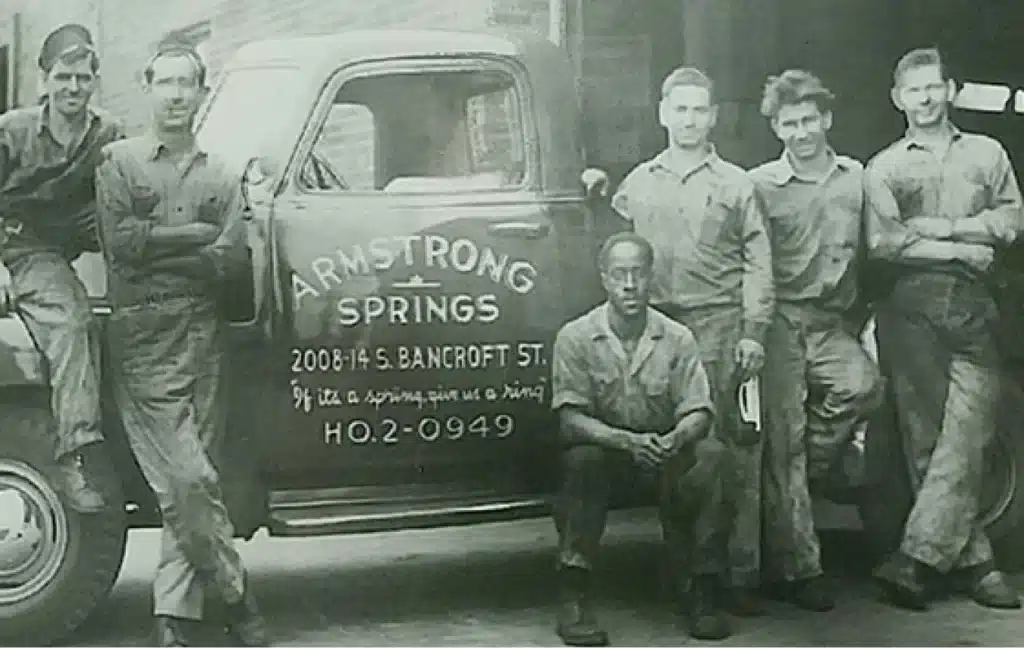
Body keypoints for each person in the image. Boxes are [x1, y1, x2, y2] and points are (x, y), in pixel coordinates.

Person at [94, 42, 268, 646]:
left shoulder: (222, 171)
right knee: (190, 479)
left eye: (186, 83)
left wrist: (162, 244)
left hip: (204, 338)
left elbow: (229, 261)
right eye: (164, 82)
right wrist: (194, 234)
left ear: (200, 91)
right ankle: (236, 594)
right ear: (147, 87)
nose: (174, 94)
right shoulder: (118, 163)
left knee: (187, 485)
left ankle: (173, 620)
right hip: (143, 341)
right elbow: (121, 245)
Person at [610, 67, 774, 615]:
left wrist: (753, 331)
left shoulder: (735, 184)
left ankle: (740, 576)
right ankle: (686, 575)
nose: (689, 120)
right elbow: (615, 257)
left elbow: (759, 262)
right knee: (677, 453)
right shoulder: (635, 185)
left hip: (721, 327)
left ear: (714, 117)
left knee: (732, 451)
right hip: (659, 332)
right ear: (663, 114)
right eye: (680, 109)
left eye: (699, 109)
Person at [865, 47, 1023, 611]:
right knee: (926, 436)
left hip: (976, 303)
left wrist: (940, 229)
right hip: (911, 306)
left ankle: (916, 560)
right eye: (914, 90)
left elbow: (1011, 218)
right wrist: (962, 246)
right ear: (897, 98)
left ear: (951, 90)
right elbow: (883, 242)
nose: (926, 99)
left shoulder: (987, 152)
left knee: (972, 432)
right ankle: (978, 566)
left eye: (934, 87)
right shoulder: (883, 168)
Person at [551, 231, 731, 643]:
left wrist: (675, 437)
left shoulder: (677, 337)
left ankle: (700, 591)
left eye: (638, 274)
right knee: (581, 461)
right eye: (619, 275)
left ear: (652, 277)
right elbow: (570, 419)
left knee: (713, 457)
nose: (629, 285)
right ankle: (574, 595)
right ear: (604, 279)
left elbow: (699, 409)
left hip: (664, 451)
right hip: (609, 454)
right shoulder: (576, 337)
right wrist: (625, 442)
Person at [749, 70, 883, 611]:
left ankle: (810, 467)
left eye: (809, 121)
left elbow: (882, 236)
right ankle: (801, 569)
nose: (801, 133)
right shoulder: (758, 184)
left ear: (827, 120)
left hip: (831, 322)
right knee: (784, 441)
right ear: (777, 128)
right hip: (781, 320)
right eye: (789, 124)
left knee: (863, 386)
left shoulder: (858, 178)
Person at [0, 23, 124, 513]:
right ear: (44, 80)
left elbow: (130, 194)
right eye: (63, 76)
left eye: (83, 77)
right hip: (21, 242)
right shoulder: (12, 132)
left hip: (75, 230)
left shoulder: (106, 132)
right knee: (73, 323)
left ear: (94, 80)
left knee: (143, 238)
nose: (73, 88)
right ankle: (77, 451)